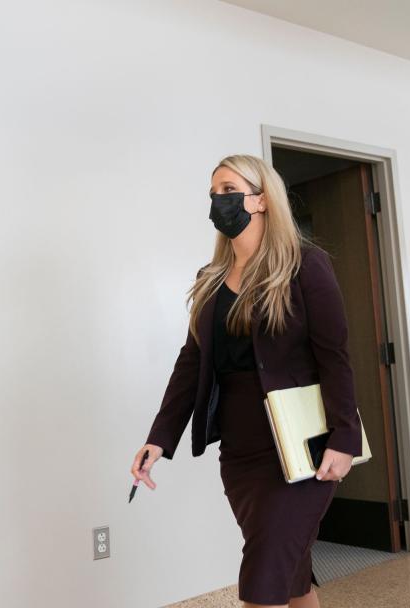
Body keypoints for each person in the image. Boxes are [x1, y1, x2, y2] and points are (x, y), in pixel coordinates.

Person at [130, 154, 363, 608]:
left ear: (260, 200)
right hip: (241, 454)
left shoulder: (305, 266)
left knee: (263, 580)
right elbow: (191, 363)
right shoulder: (211, 280)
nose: (219, 201)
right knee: (290, 576)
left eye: (229, 190)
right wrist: (159, 438)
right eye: (214, 192)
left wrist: (345, 437)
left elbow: (334, 357)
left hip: (300, 448)